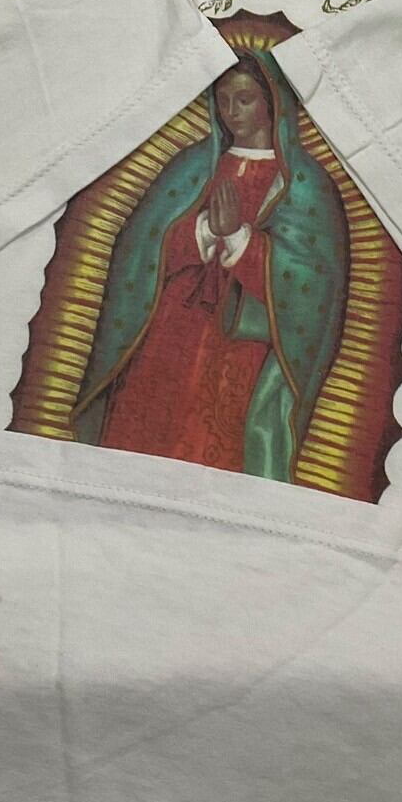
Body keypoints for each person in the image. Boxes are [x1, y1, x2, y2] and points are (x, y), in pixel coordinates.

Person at [70, 46, 348, 482]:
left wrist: (241, 240)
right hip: (168, 334)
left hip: (241, 348)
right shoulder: (194, 166)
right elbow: (141, 244)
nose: (232, 112)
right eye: (223, 100)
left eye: (245, 99)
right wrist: (200, 232)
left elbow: (314, 284)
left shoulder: (304, 183)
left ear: (272, 103)